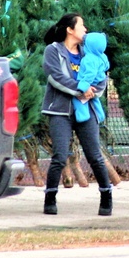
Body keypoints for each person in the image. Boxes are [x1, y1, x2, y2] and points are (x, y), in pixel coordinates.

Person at [41, 13, 114, 216]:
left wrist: (92, 91)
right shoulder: (53, 51)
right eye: (82, 26)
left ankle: (106, 196)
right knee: (59, 156)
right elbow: (56, 78)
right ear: (70, 30)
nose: (86, 30)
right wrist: (81, 89)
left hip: (87, 110)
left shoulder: (89, 52)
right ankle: (50, 198)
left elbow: (100, 81)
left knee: (95, 156)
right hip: (60, 111)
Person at [73, 32, 109, 124]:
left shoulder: (89, 59)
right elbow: (107, 66)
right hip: (100, 83)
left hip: (91, 83)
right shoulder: (102, 56)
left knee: (78, 98)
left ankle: (82, 115)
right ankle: (100, 115)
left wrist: (83, 85)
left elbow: (90, 74)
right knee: (94, 98)